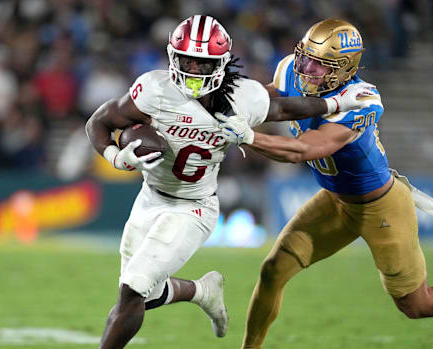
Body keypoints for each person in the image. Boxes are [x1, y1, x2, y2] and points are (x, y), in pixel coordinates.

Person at [85, 15, 372, 349]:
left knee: (134, 288)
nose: (192, 70)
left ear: (220, 64)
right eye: (186, 60)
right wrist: (116, 158)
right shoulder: (154, 89)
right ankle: (202, 291)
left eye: (201, 62)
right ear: (171, 57)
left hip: (193, 207)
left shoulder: (241, 97)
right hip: (149, 198)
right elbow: (99, 122)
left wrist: (336, 103)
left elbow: (285, 108)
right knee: (138, 297)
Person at [217, 19, 433, 349]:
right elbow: (268, 99)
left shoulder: (360, 98)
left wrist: (247, 136)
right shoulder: (290, 70)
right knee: (272, 271)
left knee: (417, 304)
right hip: (335, 200)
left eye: (319, 64)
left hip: (380, 207)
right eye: (305, 57)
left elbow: (303, 149)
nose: (306, 68)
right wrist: (232, 100)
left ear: (344, 68)